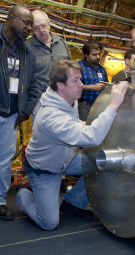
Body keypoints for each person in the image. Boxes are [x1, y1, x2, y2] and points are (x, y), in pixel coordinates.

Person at [16, 60, 128, 230]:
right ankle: (22, 195)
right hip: (44, 170)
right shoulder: (51, 116)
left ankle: (73, 203)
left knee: (105, 164)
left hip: (66, 158)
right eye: (75, 81)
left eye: (80, 79)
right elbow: (91, 137)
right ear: (60, 85)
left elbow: (76, 124)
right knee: (49, 223)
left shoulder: (69, 99)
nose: (81, 85)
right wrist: (113, 105)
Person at [0, 5, 38, 221]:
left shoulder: (27, 52)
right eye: (26, 22)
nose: (30, 28)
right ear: (11, 18)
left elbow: (32, 86)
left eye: (31, 24)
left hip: (11, 115)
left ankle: (0, 202)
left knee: (3, 161)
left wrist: (25, 111)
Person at [26, 10, 70, 123]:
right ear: (32, 29)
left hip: (63, 100)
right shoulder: (27, 48)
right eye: (36, 28)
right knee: (42, 137)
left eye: (43, 26)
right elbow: (25, 79)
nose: (41, 30)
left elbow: (70, 69)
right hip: (41, 103)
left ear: (49, 24)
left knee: (64, 136)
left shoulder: (61, 42)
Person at [78, 40, 108, 121]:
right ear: (86, 55)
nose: (98, 57)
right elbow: (74, 87)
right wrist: (93, 87)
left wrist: (106, 87)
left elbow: (107, 84)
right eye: (94, 55)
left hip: (99, 107)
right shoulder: (78, 67)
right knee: (84, 129)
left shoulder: (101, 69)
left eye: (99, 54)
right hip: (84, 106)